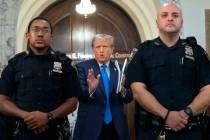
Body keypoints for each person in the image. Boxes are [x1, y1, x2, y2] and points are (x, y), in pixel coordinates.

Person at [125, 1, 210, 140]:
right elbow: (138, 91)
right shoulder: (143, 51)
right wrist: (167, 115)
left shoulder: (197, 52)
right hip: (153, 133)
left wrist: (186, 113)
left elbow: (208, 91)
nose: (170, 18)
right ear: (157, 22)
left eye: (175, 15)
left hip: (191, 133)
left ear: (181, 22)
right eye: (164, 15)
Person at [0, 17, 81, 140]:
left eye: (45, 30)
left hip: (55, 133)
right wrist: (27, 116)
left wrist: (48, 117)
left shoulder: (65, 64)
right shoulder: (14, 64)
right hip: (21, 132)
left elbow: (73, 102)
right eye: (35, 30)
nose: (40, 34)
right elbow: (2, 101)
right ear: (28, 35)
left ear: (51, 36)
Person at [73, 34, 132, 140]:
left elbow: (129, 97)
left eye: (105, 47)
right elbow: (80, 95)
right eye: (97, 47)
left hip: (116, 127)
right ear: (93, 49)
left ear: (112, 49)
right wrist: (91, 89)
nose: (101, 50)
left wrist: (122, 89)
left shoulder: (120, 68)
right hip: (90, 126)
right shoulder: (82, 67)